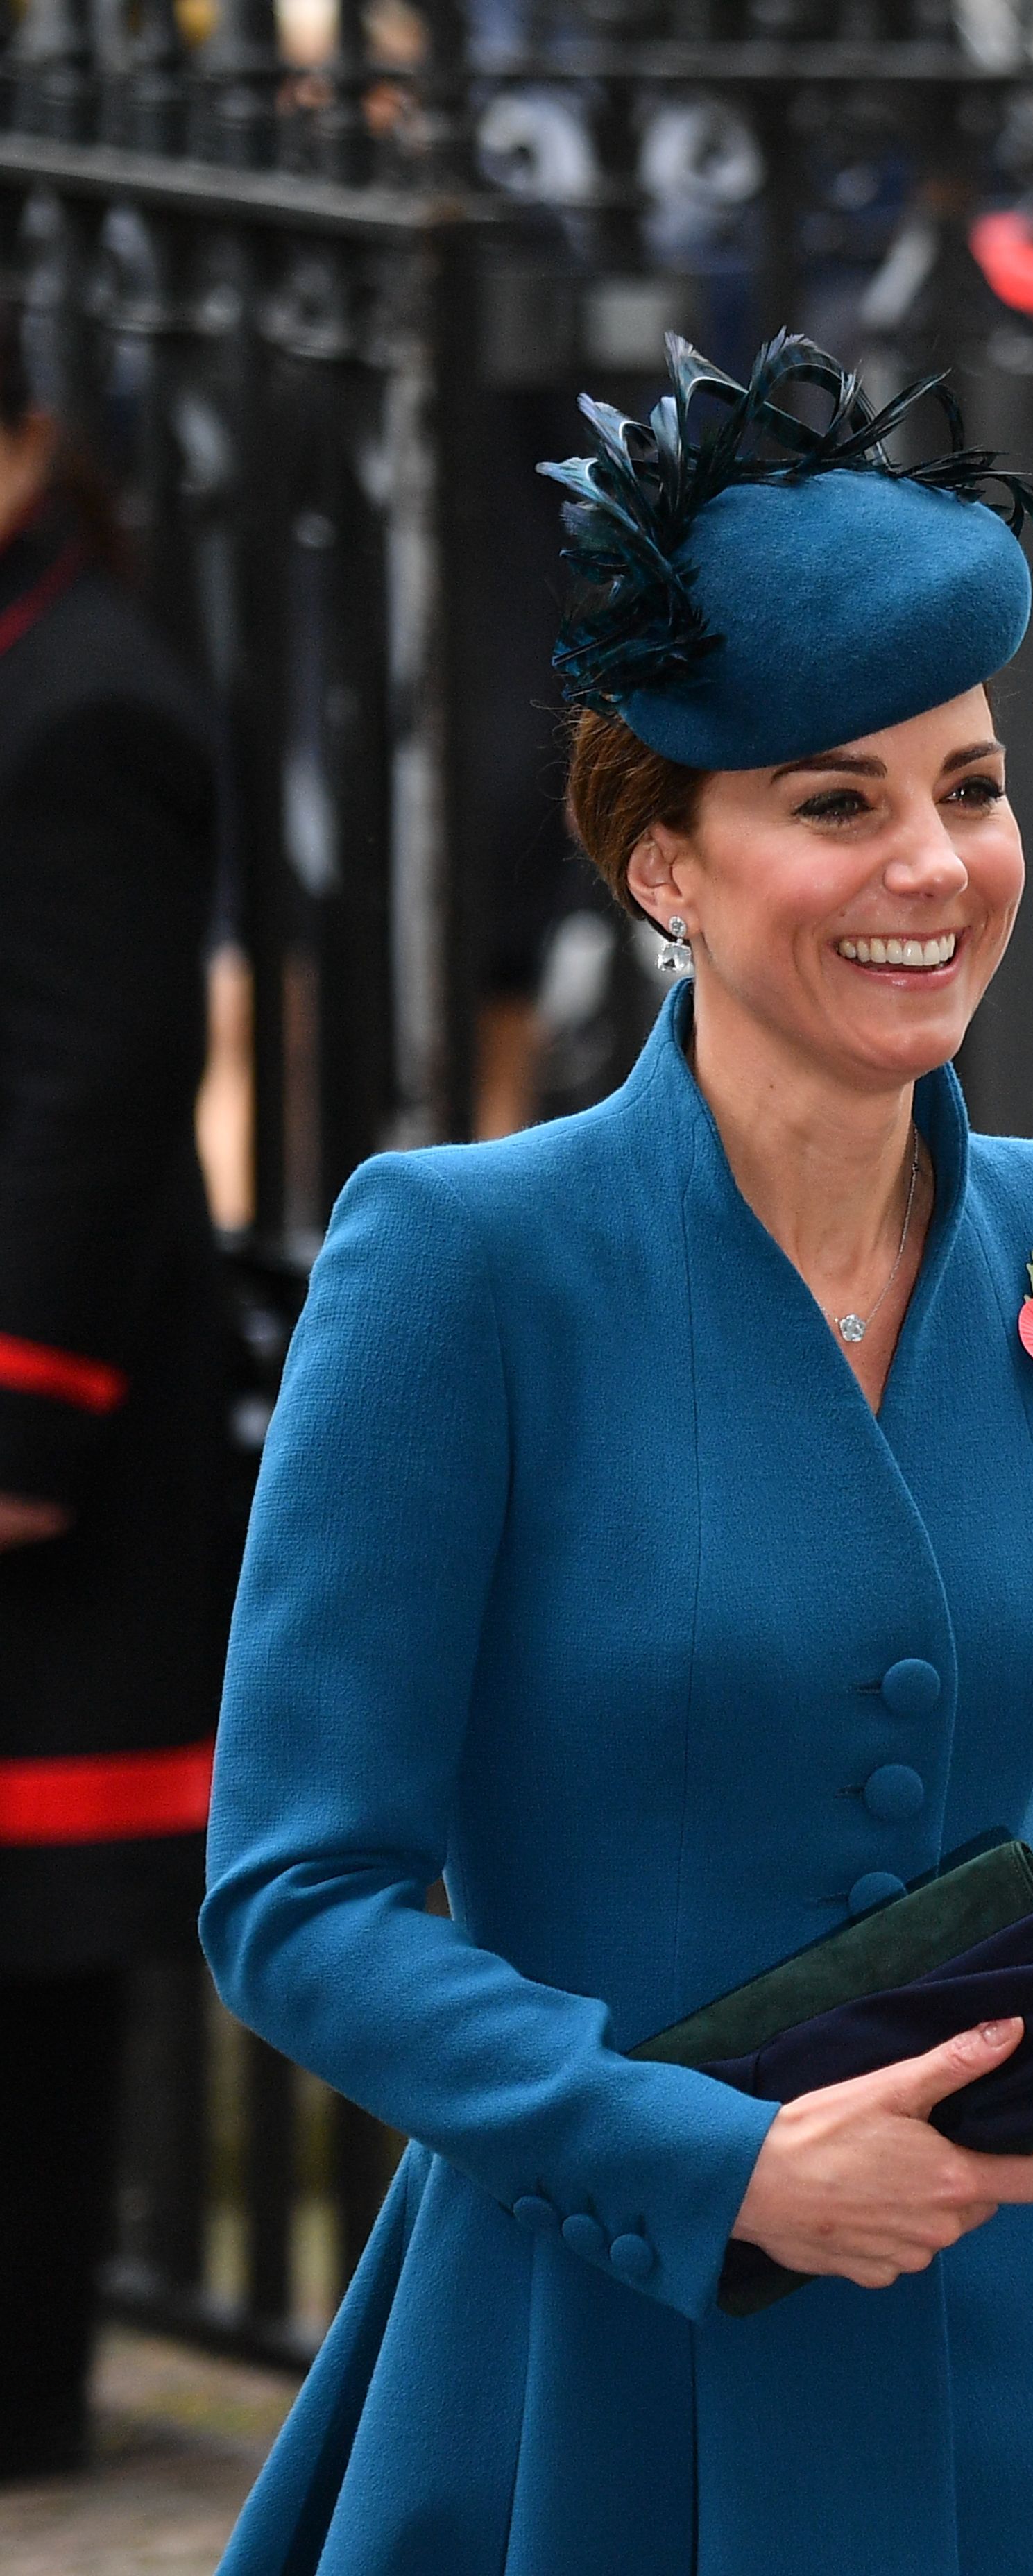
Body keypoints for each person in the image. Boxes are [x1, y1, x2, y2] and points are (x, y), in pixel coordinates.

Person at [198, 335, 1033, 2573]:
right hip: (589, 2356)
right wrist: (714, 2161)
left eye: (972, 788)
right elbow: (296, 1898)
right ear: (667, 865)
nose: (935, 865)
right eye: (835, 803)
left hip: (1022, 2345)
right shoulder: (462, 1267)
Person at [0, 337, 239, 2485]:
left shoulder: (89, 704)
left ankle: (24, 2384)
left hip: (47, 1434)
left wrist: (21, 1424)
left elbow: (85, 1100)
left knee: (36, 1959)